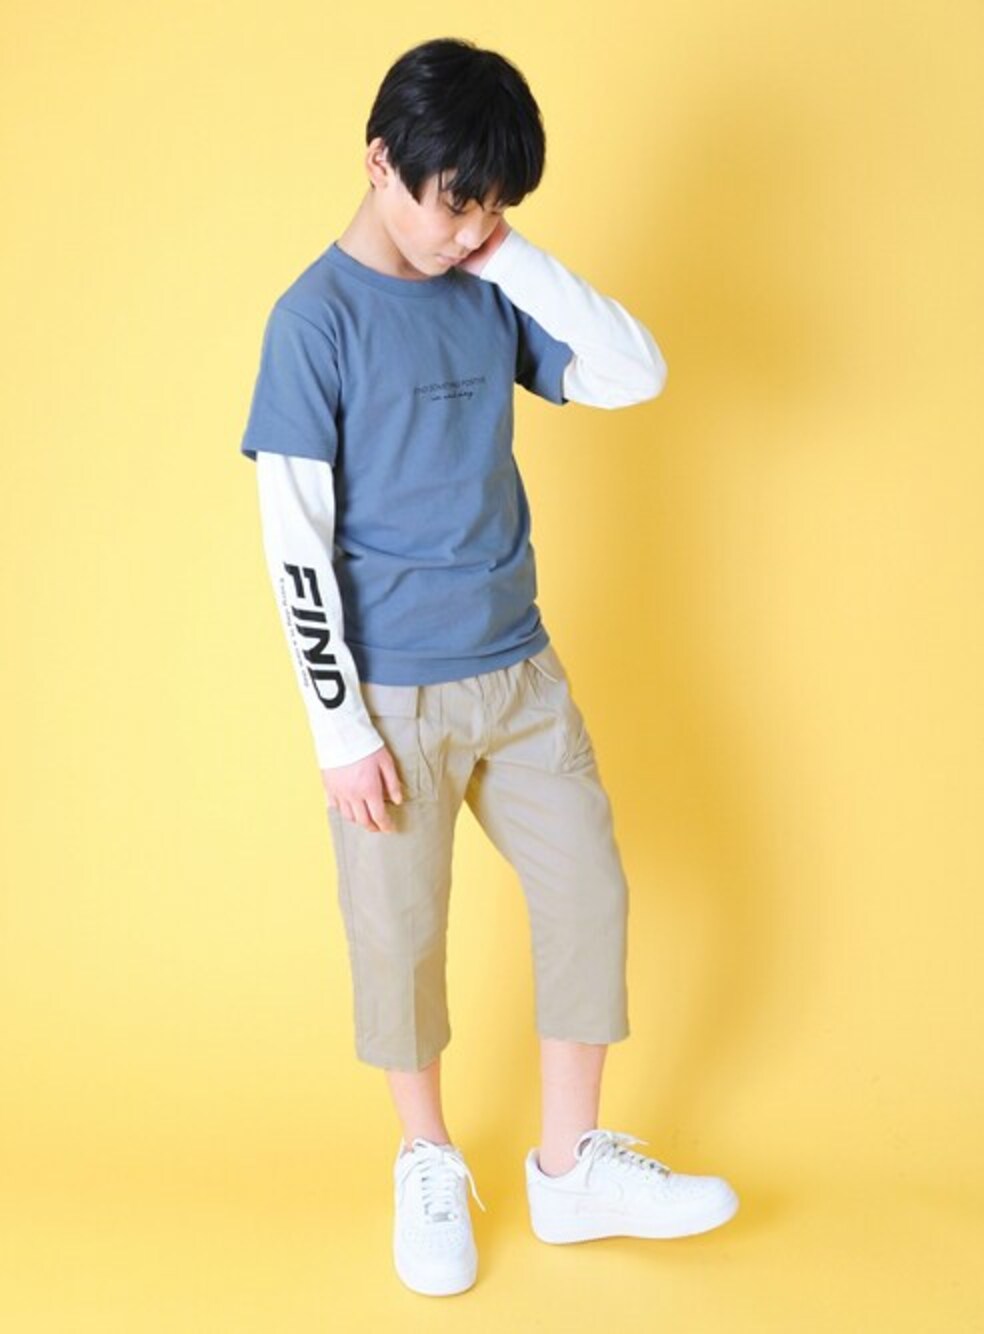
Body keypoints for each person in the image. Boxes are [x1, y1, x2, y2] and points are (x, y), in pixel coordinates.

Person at [239, 35, 738, 1298]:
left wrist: (509, 254)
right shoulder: (313, 322)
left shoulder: (485, 280)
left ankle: (569, 1168)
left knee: (589, 893)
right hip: (391, 697)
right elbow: (293, 543)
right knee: (399, 936)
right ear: (379, 163)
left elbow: (634, 370)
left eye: (493, 204)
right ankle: (425, 1156)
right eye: (455, 199)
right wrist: (338, 729)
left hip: (520, 673)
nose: (469, 227)